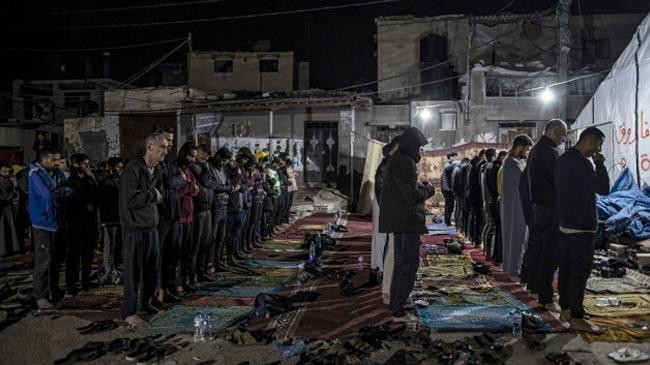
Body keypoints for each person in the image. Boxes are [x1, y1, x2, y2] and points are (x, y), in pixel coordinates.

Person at [555, 127, 609, 333]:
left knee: (566, 270)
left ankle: (566, 309)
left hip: (565, 224)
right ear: (590, 142)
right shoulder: (583, 163)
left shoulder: (562, 160)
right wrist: (600, 163)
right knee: (579, 273)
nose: (597, 150)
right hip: (582, 227)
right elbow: (604, 188)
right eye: (598, 145)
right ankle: (577, 317)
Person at [379, 127, 435, 320]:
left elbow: (405, 190)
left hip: (401, 220)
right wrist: (429, 190)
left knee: (402, 265)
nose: (420, 151)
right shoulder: (405, 162)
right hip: (406, 222)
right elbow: (411, 197)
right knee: (407, 265)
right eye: (419, 147)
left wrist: (421, 187)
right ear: (412, 146)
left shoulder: (399, 159)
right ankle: (397, 307)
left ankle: (398, 303)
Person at [119, 132, 166, 326]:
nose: (165, 151)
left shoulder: (158, 169)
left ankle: (145, 305)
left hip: (151, 227)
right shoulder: (133, 169)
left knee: (150, 270)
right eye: (162, 147)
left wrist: (153, 195)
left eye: (166, 147)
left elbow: (161, 194)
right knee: (133, 273)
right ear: (150, 147)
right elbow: (130, 199)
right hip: (134, 229)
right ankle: (129, 313)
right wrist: (152, 195)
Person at [527, 119, 567, 310]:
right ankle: (546, 297)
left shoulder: (536, 149)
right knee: (549, 253)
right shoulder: (550, 152)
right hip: (550, 209)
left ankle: (534, 287)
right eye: (562, 134)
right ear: (553, 131)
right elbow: (558, 181)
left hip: (539, 207)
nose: (563, 138)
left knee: (539, 250)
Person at [29, 148, 70, 309]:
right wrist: (59, 192)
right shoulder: (35, 174)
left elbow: (69, 190)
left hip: (56, 221)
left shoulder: (57, 173)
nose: (57, 163)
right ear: (44, 159)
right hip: (43, 222)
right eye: (54, 160)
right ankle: (40, 295)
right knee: (43, 261)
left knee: (56, 260)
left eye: (59, 160)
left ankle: (54, 290)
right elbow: (46, 195)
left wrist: (59, 192)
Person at [156, 127, 185, 302]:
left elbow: (180, 181)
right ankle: (158, 289)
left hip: (174, 215)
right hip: (162, 216)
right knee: (160, 255)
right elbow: (164, 185)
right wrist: (176, 181)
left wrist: (175, 181)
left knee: (173, 254)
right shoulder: (157, 162)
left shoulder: (171, 161)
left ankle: (169, 286)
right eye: (168, 140)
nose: (170, 144)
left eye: (172, 141)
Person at [64, 153, 99, 294]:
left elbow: (97, 195)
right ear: (76, 165)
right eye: (84, 164)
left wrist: (92, 178)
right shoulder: (69, 181)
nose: (87, 166)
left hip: (89, 223)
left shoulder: (89, 179)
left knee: (88, 255)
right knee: (73, 256)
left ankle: (85, 281)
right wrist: (85, 205)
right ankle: (71, 285)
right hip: (75, 223)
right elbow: (71, 200)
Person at [500, 135, 533, 277]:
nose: (525, 153)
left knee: (517, 239)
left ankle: (512, 268)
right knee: (515, 239)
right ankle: (512, 270)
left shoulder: (514, 161)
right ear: (519, 147)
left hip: (517, 206)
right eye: (525, 150)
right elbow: (524, 181)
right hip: (514, 208)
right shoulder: (511, 163)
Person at [373, 136, 400, 300]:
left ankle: (387, 285)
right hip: (390, 212)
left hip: (391, 211)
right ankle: (386, 289)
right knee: (390, 250)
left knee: (392, 249)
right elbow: (384, 193)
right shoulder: (387, 166)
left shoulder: (390, 165)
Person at [201, 148, 235, 271]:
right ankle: (209, 263)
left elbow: (228, 183)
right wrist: (228, 188)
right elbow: (211, 184)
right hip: (215, 206)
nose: (223, 162)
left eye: (225, 161)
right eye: (222, 160)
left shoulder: (223, 169)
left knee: (222, 237)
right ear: (218, 156)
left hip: (224, 205)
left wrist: (228, 187)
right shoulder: (208, 167)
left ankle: (219, 261)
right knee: (213, 238)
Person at [177, 142, 200, 292]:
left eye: (194, 157)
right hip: (178, 217)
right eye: (191, 156)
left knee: (188, 251)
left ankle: (186, 279)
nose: (192, 159)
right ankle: (177, 282)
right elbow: (179, 190)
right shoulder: (176, 169)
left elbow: (195, 189)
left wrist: (190, 186)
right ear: (183, 153)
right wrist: (190, 186)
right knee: (177, 253)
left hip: (189, 216)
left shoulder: (189, 170)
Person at [190, 144, 214, 281]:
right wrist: (205, 167)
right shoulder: (194, 166)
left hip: (207, 209)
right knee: (197, 245)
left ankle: (202, 270)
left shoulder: (204, 167)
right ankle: (193, 275)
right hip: (197, 211)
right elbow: (205, 180)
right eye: (202, 155)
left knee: (206, 242)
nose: (205, 159)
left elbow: (210, 182)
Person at [98, 157, 123, 282]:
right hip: (110, 219)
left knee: (117, 245)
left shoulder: (119, 180)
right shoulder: (106, 182)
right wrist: (103, 221)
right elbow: (104, 203)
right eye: (118, 167)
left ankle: (115, 268)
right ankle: (109, 270)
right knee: (110, 246)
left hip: (118, 217)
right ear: (111, 168)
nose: (120, 169)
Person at [0, 161, 21, 256]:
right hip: (4, 205)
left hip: (8, 206)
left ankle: (8, 249)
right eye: (5, 171)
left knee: (8, 227)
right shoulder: (5, 180)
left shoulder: (9, 179)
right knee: (3, 227)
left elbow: (14, 191)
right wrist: (11, 195)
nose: (7, 173)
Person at [468, 149, 486, 246]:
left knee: (475, 217)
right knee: (478, 218)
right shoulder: (478, 166)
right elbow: (478, 184)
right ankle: (477, 240)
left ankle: (473, 237)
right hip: (476, 195)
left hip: (472, 194)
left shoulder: (473, 165)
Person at [440, 153, 459, 226]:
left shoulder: (448, 165)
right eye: (454, 157)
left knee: (448, 205)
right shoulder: (449, 166)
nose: (456, 158)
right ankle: (447, 221)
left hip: (446, 188)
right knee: (449, 205)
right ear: (450, 157)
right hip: (448, 189)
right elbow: (451, 180)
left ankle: (447, 220)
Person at [452, 158, 469, 233]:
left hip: (457, 193)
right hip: (460, 194)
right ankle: (459, 227)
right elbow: (459, 183)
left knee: (458, 209)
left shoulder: (457, 170)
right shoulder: (459, 170)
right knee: (460, 210)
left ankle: (457, 225)